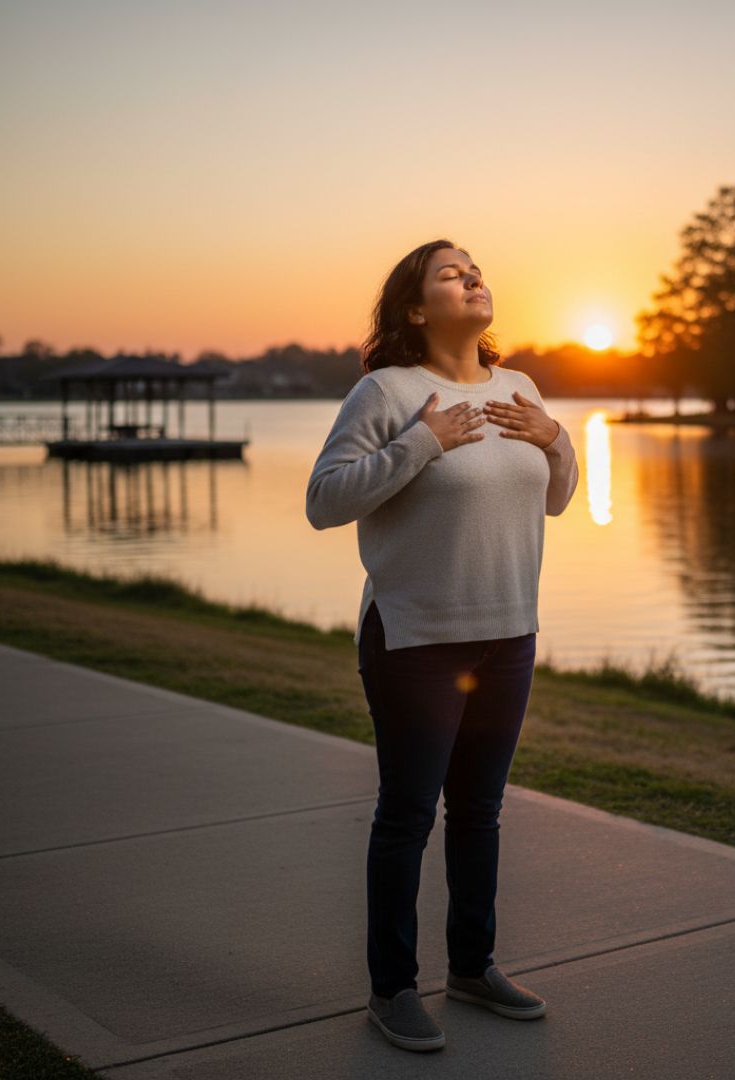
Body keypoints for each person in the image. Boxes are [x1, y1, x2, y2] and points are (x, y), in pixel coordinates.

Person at [305, 239, 579, 1052]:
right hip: (415, 638)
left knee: (482, 812)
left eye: (476, 267)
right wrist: (422, 442)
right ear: (416, 309)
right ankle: (392, 989)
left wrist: (554, 433)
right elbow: (324, 501)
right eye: (450, 273)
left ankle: (471, 965)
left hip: (509, 635)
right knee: (408, 816)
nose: (473, 276)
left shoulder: (520, 387)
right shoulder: (386, 391)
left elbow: (558, 499)